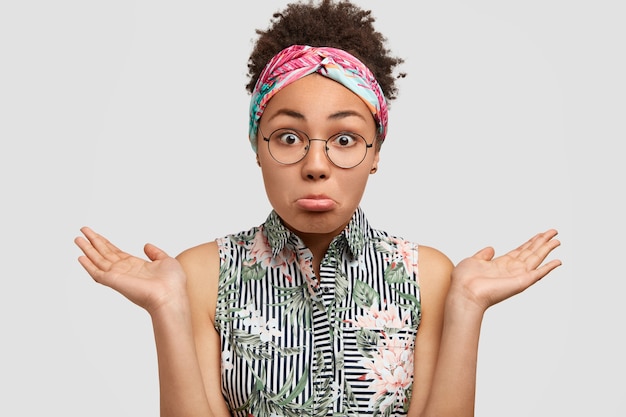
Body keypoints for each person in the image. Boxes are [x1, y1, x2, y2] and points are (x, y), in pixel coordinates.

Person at [74, 1, 562, 416]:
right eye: (289, 137)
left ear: (375, 153)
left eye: (345, 139)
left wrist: (467, 304)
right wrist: (168, 308)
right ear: (257, 147)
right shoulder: (201, 274)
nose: (315, 165)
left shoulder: (428, 276)